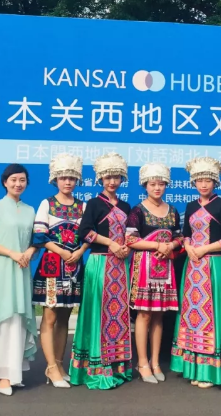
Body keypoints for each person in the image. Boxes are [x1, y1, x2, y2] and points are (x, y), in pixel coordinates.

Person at [170, 157, 221, 389]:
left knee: (212, 317)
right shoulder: (191, 206)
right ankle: (193, 367)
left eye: (208, 180)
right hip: (193, 269)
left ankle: (210, 371)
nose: (203, 184)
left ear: (215, 182)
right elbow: (185, 233)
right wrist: (189, 246)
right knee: (192, 316)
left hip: (214, 266)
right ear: (194, 182)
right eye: (199, 180)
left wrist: (204, 249)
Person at [69, 152, 132, 390]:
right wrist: (111, 243)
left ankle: (118, 366)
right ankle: (97, 367)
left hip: (121, 266)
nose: (112, 182)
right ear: (100, 179)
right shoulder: (94, 204)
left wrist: (126, 246)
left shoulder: (126, 206)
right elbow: (84, 232)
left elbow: (131, 233)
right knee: (98, 312)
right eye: (107, 177)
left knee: (118, 314)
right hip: (100, 263)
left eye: (116, 177)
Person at [0, 164, 38, 396]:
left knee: (18, 319)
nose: (18, 184)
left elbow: (37, 239)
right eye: (13, 180)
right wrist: (12, 253)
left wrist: (29, 252)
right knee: (2, 318)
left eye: (22, 180)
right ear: (5, 182)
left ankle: (14, 372)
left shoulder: (30, 210)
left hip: (22, 270)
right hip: (2, 270)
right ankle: (0, 374)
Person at [32, 154, 88, 389]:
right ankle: (50, 367)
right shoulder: (47, 204)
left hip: (74, 267)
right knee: (50, 316)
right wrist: (62, 252)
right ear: (55, 179)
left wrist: (80, 250)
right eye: (63, 178)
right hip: (53, 266)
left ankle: (59, 364)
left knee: (65, 316)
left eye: (71, 178)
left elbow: (89, 235)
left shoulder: (82, 206)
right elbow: (39, 236)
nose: (67, 182)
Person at [125, 162, 181, 384]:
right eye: (152, 184)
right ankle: (142, 363)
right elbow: (130, 240)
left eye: (161, 184)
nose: (157, 188)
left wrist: (171, 246)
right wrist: (158, 246)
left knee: (159, 314)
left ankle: (156, 361)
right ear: (145, 186)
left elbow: (179, 237)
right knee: (144, 314)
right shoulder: (137, 211)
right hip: (144, 268)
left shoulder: (173, 211)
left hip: (165, 267)